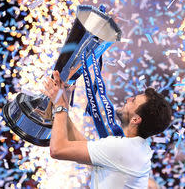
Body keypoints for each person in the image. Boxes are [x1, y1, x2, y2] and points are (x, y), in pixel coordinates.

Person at [41, 70, 172, 188]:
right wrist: (63, 107)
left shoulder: (124, 149)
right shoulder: (135, 148)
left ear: (135, 120)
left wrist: (60, 105)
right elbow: (80, 145)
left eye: (133, 101)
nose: (128, 99)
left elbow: (57, 150)